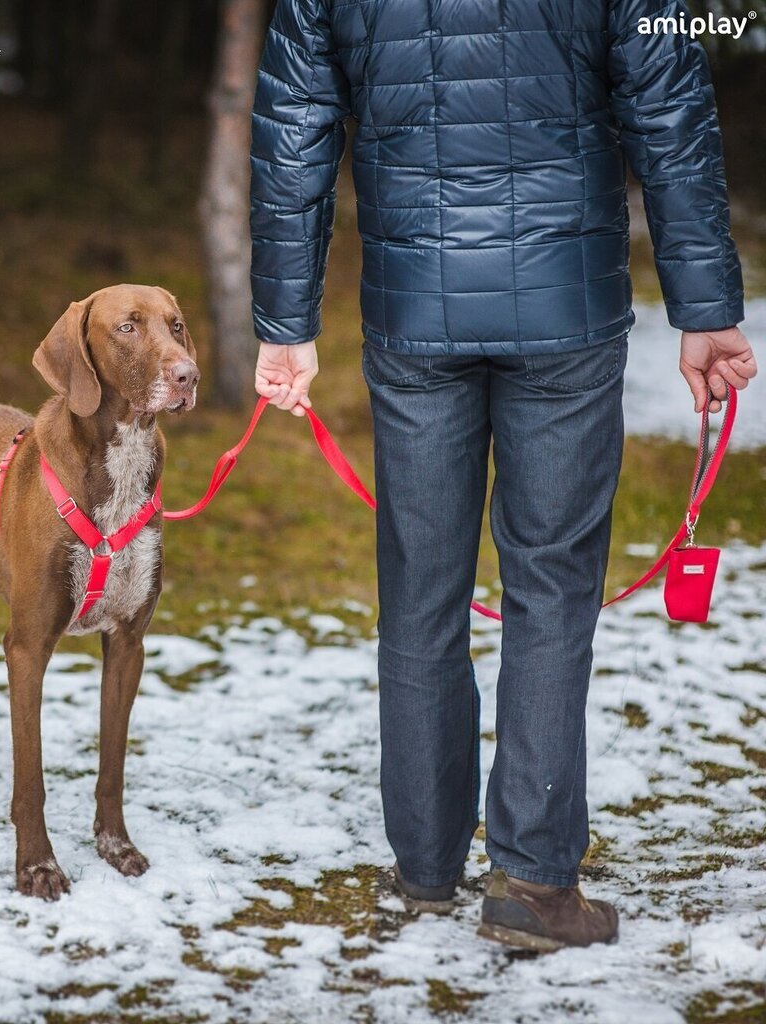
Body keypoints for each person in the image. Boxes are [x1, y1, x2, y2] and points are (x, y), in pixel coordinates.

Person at [248, 0, 757, 951]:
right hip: (565, 310)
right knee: (553, 589)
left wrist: (286, 321)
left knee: (420, 588)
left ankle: (426, 866)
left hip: (414, 315)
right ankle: (530, 880)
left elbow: (293, 130)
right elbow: (671, 104)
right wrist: (707, 307)